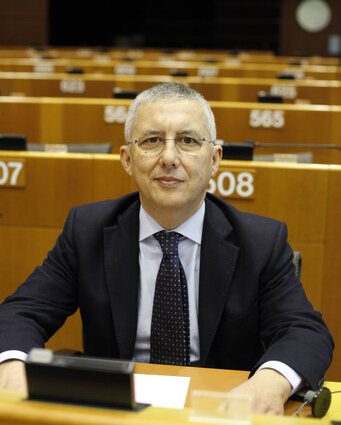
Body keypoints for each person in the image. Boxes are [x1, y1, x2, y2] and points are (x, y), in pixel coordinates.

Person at [0, 82, 333, 414]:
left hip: (218, 412)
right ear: (127, 159)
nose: (169, 158)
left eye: (188, 141)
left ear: (214, 159)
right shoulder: (87, 230)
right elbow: (20, 312)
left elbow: (306, 331)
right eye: (152, 141)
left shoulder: (260, 241)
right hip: (117, 413)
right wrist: (13, 363)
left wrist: (269, 383)